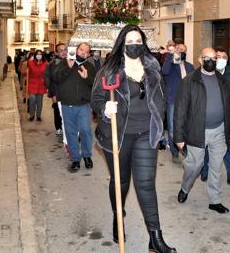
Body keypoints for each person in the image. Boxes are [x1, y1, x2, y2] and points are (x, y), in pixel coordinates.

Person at [91, 25, 176, 253]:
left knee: (146, 184)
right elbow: (97, 97)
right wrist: (104, 108)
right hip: (117, 135)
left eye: (138, 40)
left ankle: (155, 238)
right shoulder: (109, 69)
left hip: (146, 134)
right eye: (129, 41)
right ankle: (117, 216)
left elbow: (161, 97)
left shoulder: (153, 67)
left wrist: (162, 124)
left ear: (143, 42)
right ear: (122, 43)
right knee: (121, 182)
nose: (134, 44)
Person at [175, 47, 230, 214]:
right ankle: (185, 188)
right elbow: (180, 110)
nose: (211, 61)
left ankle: (215, 200)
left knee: (216, 167)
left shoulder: (223, 81)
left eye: (214, 59)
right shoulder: (189, 81)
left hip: (219, 131)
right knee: (194, 165)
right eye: (207, 58)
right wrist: (179, 136)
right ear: (200, 60)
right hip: (197, 131)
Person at [200, 46, 230, 185]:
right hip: (210, 115)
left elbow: (226, 86)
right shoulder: (205, 72)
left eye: (224, 58)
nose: (221, 60)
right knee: (207, 145)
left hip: (226, 113)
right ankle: (205, 171)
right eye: (218, 57)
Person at [54, 43, 96, 172]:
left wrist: (86, 77)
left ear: (88, 54)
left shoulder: (89, 66)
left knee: (85, 131)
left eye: (86, 51)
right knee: (71, 133)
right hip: (67, 104)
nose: (83, 52)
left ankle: (87, 156)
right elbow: (55, 78)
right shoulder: (64, 62)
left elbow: (95, 84)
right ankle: (75, 159)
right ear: (76, 50)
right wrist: (68, 67)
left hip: (83, 104)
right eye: (81, 50)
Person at [161, 42, 194, 162]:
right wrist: (170, 55)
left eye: (184, 50)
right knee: (172, 127)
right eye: (179, 50)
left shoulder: (190, 66)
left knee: (186, 126)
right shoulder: (170, 66)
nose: (182, 52)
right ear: (175, 50)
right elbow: (164, 71)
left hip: (187, 101)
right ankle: (174, 152)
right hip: (172, 101)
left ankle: (184, 148)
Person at [43, 43, 67, 138]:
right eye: (60, 50)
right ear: (56, 53)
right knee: (57, 111)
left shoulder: (73, 62)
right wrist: (52, 94)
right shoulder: (51, 65)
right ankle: (58, 128)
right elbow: (48, 80)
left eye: (65, 49)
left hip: (69, 93)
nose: (63, 52)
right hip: (57, 93)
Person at [26, 50, 48, 121]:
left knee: (39, 101)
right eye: (38, 54)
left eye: (40, 54)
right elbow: (27, 69)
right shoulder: (30, 62)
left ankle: (38, 115)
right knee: (32, 99)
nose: (39, 56)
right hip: (32, 83)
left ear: (42, 55)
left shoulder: (45, 63)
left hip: (41, 85)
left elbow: (47, 73)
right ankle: (32, 115)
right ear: (35, 55)